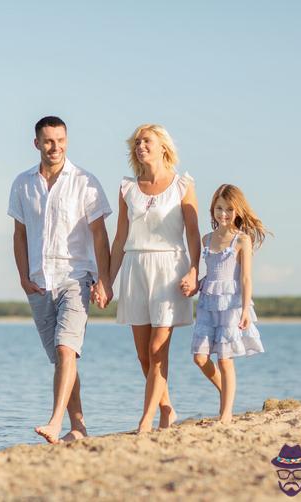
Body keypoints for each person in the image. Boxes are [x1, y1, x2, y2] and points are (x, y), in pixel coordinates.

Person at [7, 116, 112, 444]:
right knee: (63, 358)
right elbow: (19, 234)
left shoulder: (84, 181)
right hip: (39, 283)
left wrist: (104, 279)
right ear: (37, 143)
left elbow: (99, 234)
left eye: (61, 140)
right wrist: (23, 277)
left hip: (75, 278)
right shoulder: (23, 184)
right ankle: (78, 427)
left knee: (67, 350)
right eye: (49, 141)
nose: (56, 147)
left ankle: (54, 422)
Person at [108, 124, 200, 434]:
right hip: (135, 268)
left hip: (169, 268)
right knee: (142, 352)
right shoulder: (127, 188)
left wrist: (194, 270)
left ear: (163, 147)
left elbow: (193, 233)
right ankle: (166, 408)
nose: (140, 146)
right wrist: (107, 280)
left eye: (146, 141)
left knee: (158, 349)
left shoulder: (182, 185)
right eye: (136, 142)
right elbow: (120, 238)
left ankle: (145, 421)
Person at [191, 183, 267, 423]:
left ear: (238, 212)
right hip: (207, 304)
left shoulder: (241, 240)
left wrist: (245, 309)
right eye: (219, 208)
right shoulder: (206, 239)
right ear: (213, 208)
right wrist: (196, 283)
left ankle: (225, 414)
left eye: (229, 209)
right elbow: (211, 273)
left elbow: (245, 278)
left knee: (225, 359)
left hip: (231, 305)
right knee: (200, 358)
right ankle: (227, 392)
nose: (223, 214)